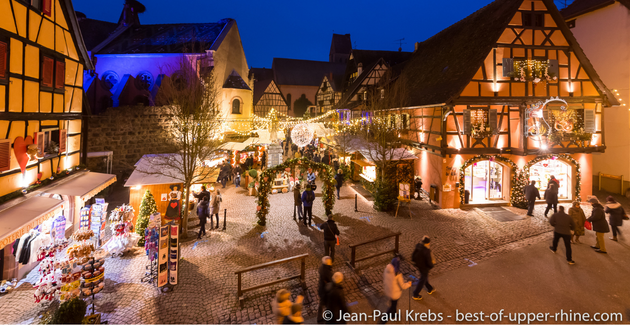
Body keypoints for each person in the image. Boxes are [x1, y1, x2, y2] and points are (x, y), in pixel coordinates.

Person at [381, 257, 411, 324]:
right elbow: (403, 286)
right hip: (395, 293)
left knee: (393, 304)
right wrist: (409, 284)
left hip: (388, 290)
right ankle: (383, 321)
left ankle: (393, 314)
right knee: (392, 306)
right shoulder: (398, 274)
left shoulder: (387, 269)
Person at [412, 236, 435, 301]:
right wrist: (431, 266)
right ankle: (415, 294)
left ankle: (430, 288)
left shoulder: (418, 246)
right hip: (424, 268)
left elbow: (413, 256)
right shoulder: (426, 251)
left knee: (424, 278)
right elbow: (429, 262)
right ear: (428, 243)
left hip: (419, 266)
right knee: (422, 280)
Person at [317, 257, 333, 323]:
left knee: (322, 304)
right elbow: (331, 280)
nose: (331, 262)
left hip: (322, 289)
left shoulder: (322, 267)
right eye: (330, 261)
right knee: (327, 304)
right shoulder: (327, 271)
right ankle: (327, 317)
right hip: (325, 291)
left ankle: (319, 317)